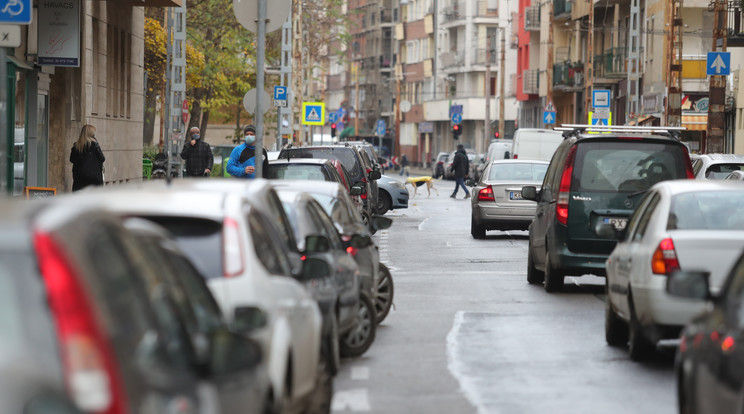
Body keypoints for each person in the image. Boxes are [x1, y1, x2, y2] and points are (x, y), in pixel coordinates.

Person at [70, 124, 105, 191]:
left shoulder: (76, 145)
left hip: (79, 177)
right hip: (94, 178)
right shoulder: (95, 145)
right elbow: (102, 158)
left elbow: (72, 159)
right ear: (91, 134)